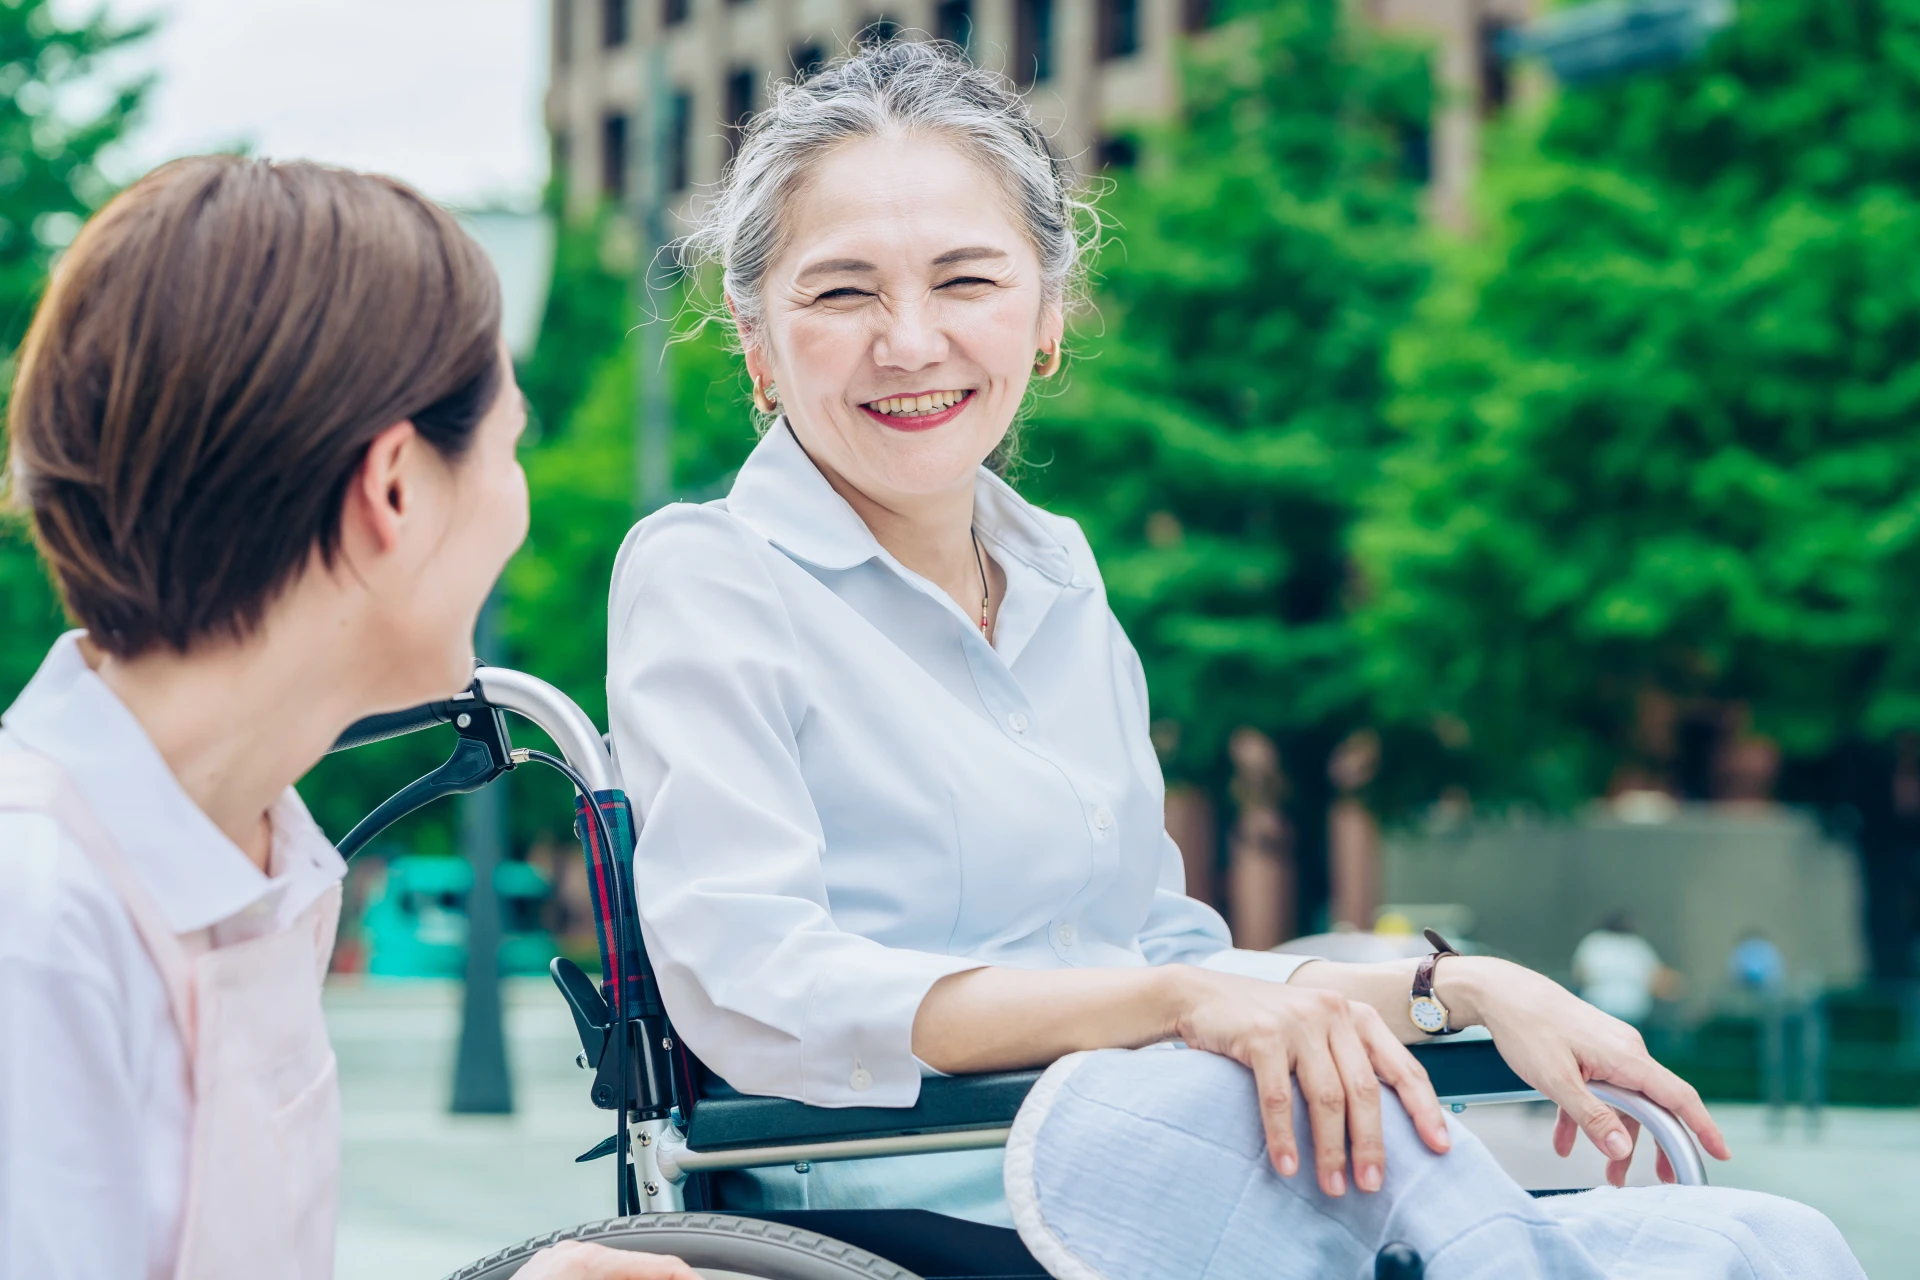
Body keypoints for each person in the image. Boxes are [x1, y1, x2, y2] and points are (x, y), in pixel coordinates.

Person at [606, 41, 1861, 1273]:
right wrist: (1166, 1015)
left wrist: (1456, 986)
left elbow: (1170, 957)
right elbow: (762, 984)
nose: (912, 340)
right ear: (758, 343)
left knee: (1766, 1236)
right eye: (842, 291)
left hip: (1172, 1150)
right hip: (927, 1172)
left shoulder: (1059, 581)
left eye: (966, 281)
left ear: (1048, 316)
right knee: (1300, 1111)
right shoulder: (711, 575)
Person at [0, 157, 694, 1280]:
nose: (517, 500)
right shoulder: (34, 921)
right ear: (397, 489)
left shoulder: (244, 858)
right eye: (508, 447)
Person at [1571, 910, 1683, 1027]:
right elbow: (1656, 979)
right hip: (1632, 1010)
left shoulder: (1594, 942)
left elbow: (1579, 975)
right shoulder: (1638, 946)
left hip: (1600, 1008)